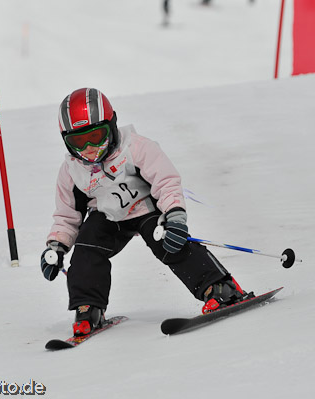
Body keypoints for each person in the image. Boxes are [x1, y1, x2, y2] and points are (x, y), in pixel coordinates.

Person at [40, 88, 251, 336]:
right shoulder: (72, 171)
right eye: (78, 141)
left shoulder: (136, 148)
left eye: (96, 136)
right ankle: (89, 308)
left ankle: (218, 287)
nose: (89, 148)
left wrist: (175, 216)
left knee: (168, 242)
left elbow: (166, 182)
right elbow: (67, 215)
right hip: (107, 218)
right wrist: (56, 247)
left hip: (145, 208)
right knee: (87, 248)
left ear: (112, 125)